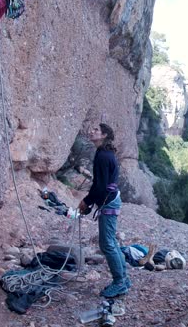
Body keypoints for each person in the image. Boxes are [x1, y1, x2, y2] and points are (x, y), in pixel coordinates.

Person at [78, 123, 131, 298]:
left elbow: (99, 186)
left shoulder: (103, 156)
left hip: (108, 202)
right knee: (111, 243)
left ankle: (120, 282)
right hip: (111, 200)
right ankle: (123, 278)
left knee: (107, 244)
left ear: (104, 135)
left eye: (96, 130)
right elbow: (101, 184)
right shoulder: (104, 153)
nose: (92, 131)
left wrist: (86, 202)